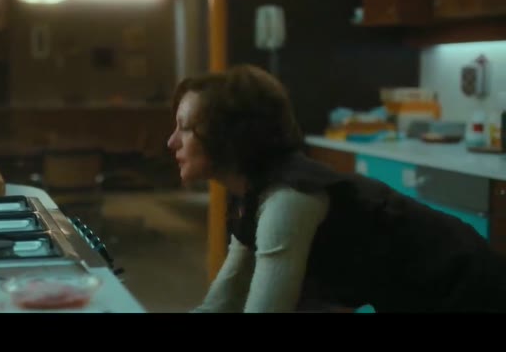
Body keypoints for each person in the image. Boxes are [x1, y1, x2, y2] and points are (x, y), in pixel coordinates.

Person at [166, 64, 506, 313]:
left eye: (185, 128)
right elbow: (223, 301)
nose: (172, 142)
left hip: (467, 289)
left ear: (229, 137)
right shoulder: (254, 192)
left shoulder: (289, 199)